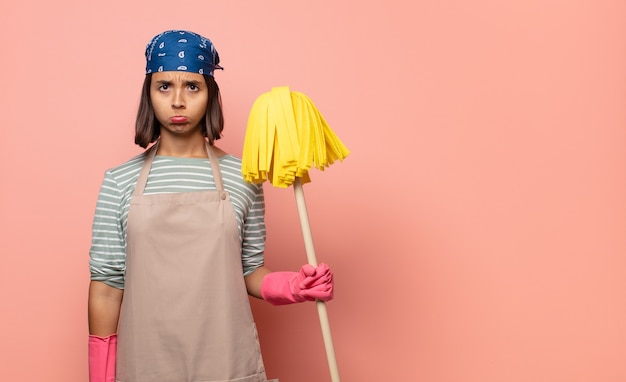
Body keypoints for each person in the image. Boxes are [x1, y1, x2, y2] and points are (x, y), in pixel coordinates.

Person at [87, 30, 334, 382]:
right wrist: (101, 376)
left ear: (210, 94)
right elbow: (107, 287)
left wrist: (296, 286)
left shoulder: (244, 176)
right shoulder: (119, 181)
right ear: (149, 94)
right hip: (146, 366)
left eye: (192, 86)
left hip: (227, 363)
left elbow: (249, 271)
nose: (177, 101)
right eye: (164, 86)